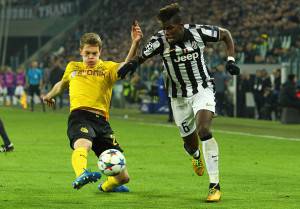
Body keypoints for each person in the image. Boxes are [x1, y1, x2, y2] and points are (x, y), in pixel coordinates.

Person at [136, 3, 240, 202]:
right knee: (190, 143)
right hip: (178, 96)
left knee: (204, 131)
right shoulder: (159, 40)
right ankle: (195, 155)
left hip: (202, 88)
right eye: (164, 29)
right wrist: (131, 62)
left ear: (181, 25)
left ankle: (214, 185)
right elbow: (140, 59)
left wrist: (231, 59)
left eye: (170, 28)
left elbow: (226, 34)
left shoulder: (199, 32)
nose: (166, 33)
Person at [43, 22, 143, 191]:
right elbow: (61, 84)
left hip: (102, 122)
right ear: (81, 51)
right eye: (87, 53)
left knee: (123, 178)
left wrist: (134, 43)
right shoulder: (73, 67)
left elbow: (125, 65)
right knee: (83, 144)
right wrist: (49, 96)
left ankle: (105, 187)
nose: (91, 57)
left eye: (94, 53)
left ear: (100, 52)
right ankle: (81, 173)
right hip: (80, 116)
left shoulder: (107, 68)